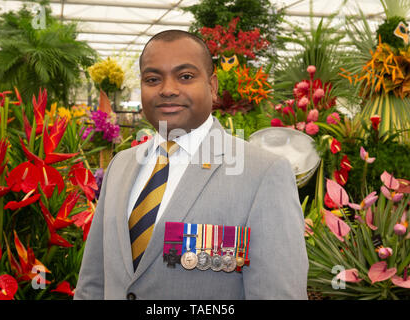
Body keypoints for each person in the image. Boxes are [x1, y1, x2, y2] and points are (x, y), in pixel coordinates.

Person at [74, 30, 308, 300]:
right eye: (152, 79)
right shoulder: (120, 167)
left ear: (212, 86)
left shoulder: (263, 174)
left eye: (185, 76)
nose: (168, 89)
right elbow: (92, 283)